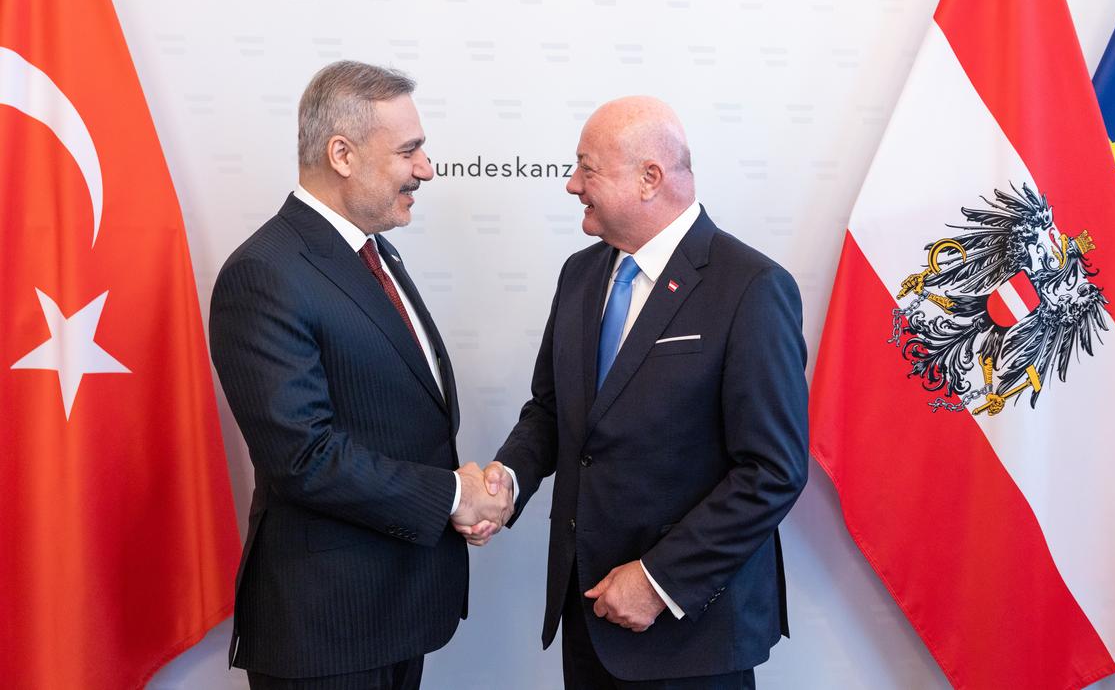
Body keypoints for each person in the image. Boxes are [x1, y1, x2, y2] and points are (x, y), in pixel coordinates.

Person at [460, 96, 809, 689]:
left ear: (650, 177)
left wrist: (659, 580)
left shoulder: (751, 287)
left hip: (688, 635)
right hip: (588, 616)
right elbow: (551, 411)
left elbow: (773, 470)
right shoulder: (580, 274)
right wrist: (507, 481)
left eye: (586, 168)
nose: (571, 185)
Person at [209, 61, 512, 690]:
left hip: (396, 610)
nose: (426, 169)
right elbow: (305, 457)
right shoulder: (265, 273)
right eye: (409, 151)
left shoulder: (375, 251)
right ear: (341, 154)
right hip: (327, 629)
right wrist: (453, 497)